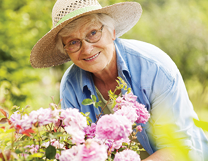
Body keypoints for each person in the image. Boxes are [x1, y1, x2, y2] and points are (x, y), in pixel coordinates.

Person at [30, 0, 208, 160]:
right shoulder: (70, 86)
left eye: (92, 33)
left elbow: (176, 149)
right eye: (73, 42)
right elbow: (79, 150)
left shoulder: (154, 68)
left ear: (112, 32)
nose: (87, 49)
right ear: (66, 51)